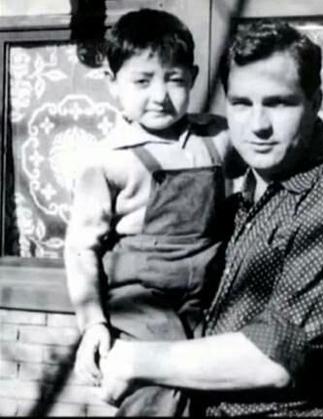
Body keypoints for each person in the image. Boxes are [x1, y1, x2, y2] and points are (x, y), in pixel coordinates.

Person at [96, 20, 323, 416]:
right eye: (241, 104)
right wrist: (97, 329)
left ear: (315, 102)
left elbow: (274, 359)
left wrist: (134, 360)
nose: (258, 125)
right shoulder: (245, 194)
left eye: (279, 103)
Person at [64, 8, 239, 416]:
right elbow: (80, 248)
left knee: (215, 384)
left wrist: (317, 137)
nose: (160, 95)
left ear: (193, 78)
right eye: (142, 81)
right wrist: (93, 323)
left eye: (174, 79)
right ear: (113, 82)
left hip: (208, 288)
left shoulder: (218, 137)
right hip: (143, 296)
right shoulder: (108, 159)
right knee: (157, 384)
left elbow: (265, 145)